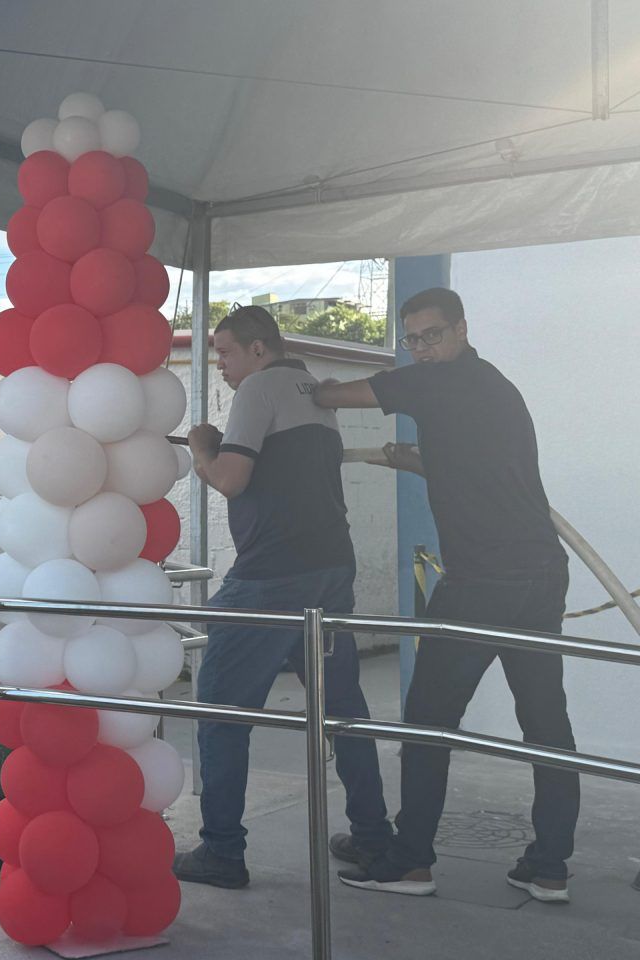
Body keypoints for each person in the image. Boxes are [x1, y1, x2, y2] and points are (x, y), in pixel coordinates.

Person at [313, 286, 577, 902]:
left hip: (483, 581)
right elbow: (480, 466)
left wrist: (300, 383)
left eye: (432, 335)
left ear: (460, 329)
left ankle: (409, 863)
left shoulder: (428, 383)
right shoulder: (496, 386)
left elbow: (334, 396)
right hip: (541, 572)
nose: (422, 349)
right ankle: (550, 866)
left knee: (428, 721)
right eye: (413, 340)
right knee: (546, 721)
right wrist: (416, 461)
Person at [172, 304, 391, 889]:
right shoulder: (311, 388)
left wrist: (200, 448)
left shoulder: (260, 387)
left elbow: (231, 479)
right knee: (342, 708)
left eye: (225, 353)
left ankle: (221, 851)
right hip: (329, 568)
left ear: (259, 349)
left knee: (217, 708)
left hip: (273, 574)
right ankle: (374, 836)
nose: (220, 364)